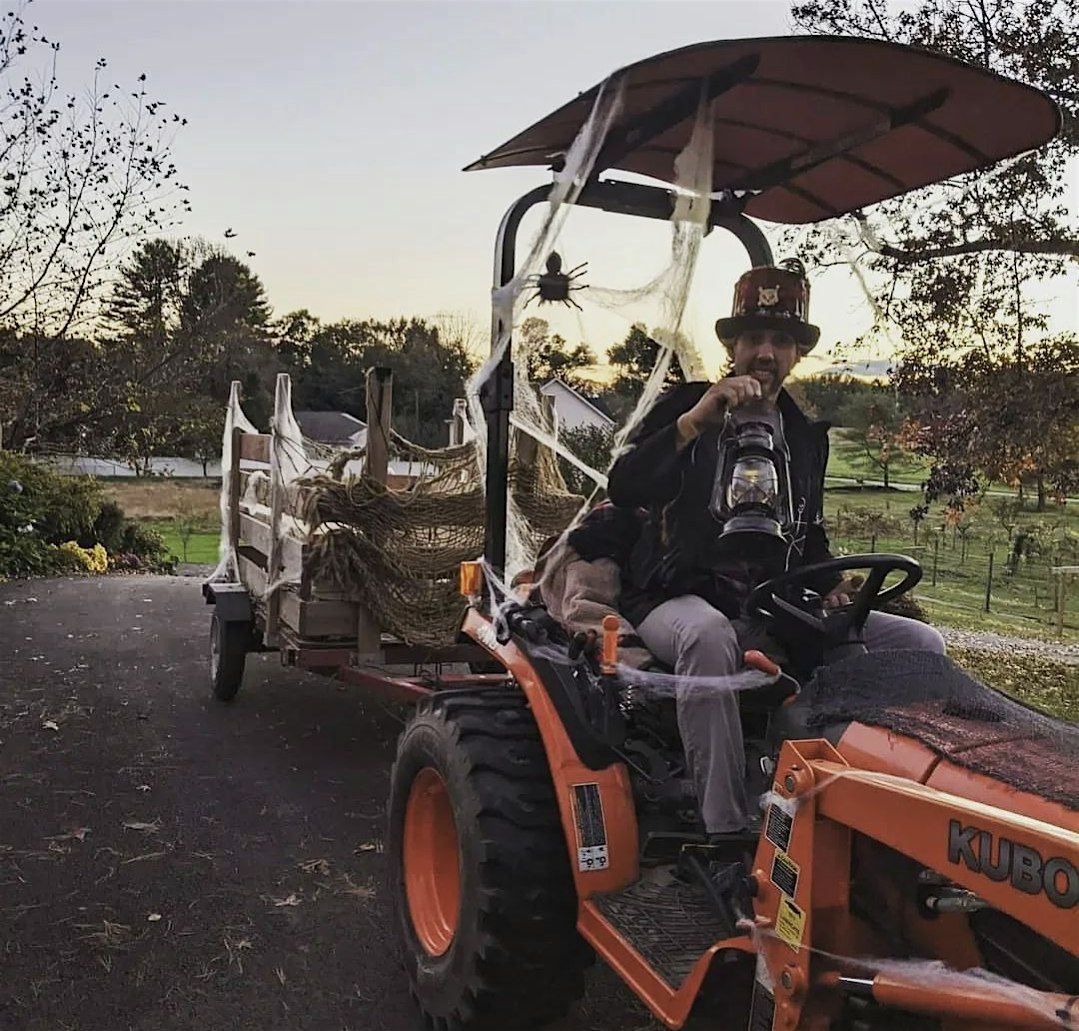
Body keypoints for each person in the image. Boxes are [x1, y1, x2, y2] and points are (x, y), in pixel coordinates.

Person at [607, 260, 944, 837]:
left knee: (918, 642)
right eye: (755, 338)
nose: (766, 352)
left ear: (797, 353)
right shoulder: (688, 406)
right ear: (733, 346)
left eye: (781, 340)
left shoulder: (804, 436)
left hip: (771, 604)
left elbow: (807, 535)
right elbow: (626, 486)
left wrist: (832, 584)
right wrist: (692, 425)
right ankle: (727, 830)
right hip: (676, 594)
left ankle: (888, 809)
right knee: (708, 636)